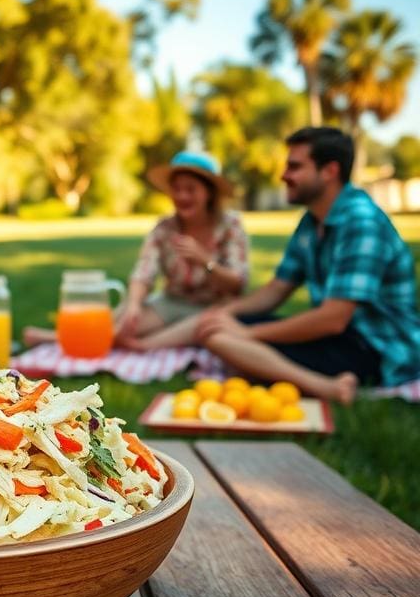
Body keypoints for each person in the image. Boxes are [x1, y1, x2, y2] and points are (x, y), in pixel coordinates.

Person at [196, 127, 420, 404]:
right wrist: (226, 313)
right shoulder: (312, 221)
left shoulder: (362, 223)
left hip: (378, 348)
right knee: (219, 329)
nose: (283, 175)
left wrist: (247, 333)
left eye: (294, 166)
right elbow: (278, 288)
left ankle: (327, 388)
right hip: (340, 337)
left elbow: (333, 319)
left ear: (329, 171)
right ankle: (316, 380)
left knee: (222, 340)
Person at [24, 150, 249, 350]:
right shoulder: (165, 228)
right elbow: (144, 271)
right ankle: (60, 338)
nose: (182, 197)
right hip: (172, 302)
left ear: (209, 193)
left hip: (214, 307)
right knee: (124, 322)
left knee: (206, 322)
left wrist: (205, 260)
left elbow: (238, 283)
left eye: (191, 189)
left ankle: (143, 345)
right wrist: (133, 305)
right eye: (177, 189)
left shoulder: (230, 226)